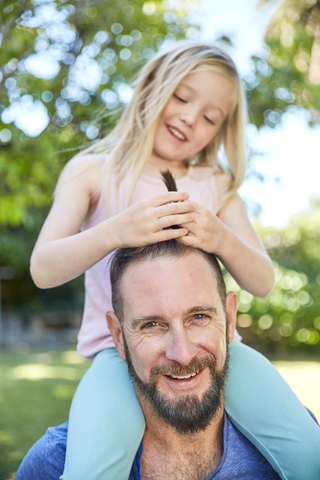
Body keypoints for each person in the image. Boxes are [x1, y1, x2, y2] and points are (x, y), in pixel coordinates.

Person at [28, 40, 319, 480]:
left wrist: (221, 237)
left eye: (210, 117)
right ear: (150, 88)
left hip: (222, 354)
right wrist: (115, 231)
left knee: (303, 446)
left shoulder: (216, 186)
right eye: (182, 97)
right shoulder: (94, 173)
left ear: (220, 132)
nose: (190, 118)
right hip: (117, 356)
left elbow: (262, 280)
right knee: (92, 465)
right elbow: (42, 269)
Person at [16, 240, 318, 479]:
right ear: (118, 337)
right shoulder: (54, 464)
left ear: (229, 318)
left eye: (199, 317)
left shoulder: (295, 442)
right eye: (152, 325)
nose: (182, 353)